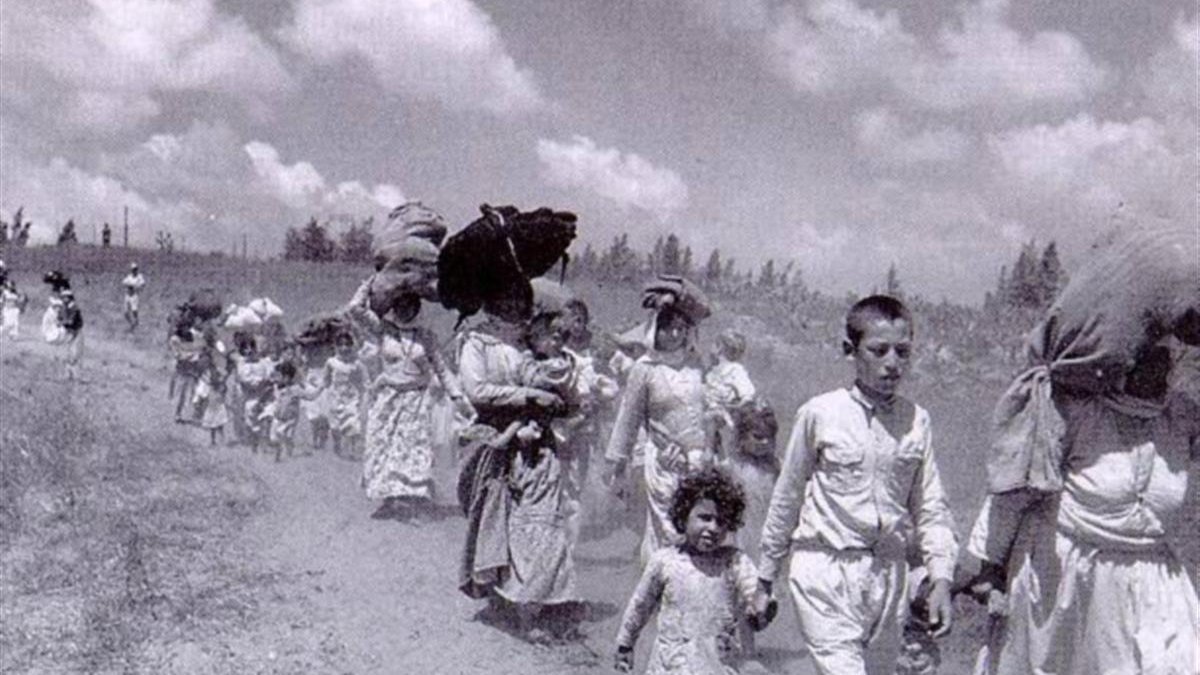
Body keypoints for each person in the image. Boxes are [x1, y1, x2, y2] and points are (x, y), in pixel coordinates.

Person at [960, 226, 1199, 675]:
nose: (1160, 368)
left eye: (1168, 358)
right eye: (1149, 355)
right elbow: (1015, 490)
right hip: (1065, 585)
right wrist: (990, 568)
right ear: (1123, 354)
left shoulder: (1180, 416)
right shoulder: (1073, 409)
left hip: (1154, 585)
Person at [755, 295, 957, 675]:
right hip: (824, 570)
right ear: (851, 350)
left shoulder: (917, 421)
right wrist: (765, 577)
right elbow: (788, 496)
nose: (892, 363)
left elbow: (930, 507)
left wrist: (941, 578)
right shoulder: (820, 414)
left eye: (903, 351)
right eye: (879, 351)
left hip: (888, 577)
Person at [457, 294, 576, 638]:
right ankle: (500, 595)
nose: (513, 311)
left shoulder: (529, 349)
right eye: (506, 302)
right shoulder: (476, 344)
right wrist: (527, 396)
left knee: (536, 523)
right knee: (495, 521)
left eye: (519, 304)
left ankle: (531, 607)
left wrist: (552, 382)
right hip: (493, 440)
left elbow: (561, 394)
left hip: (536, 448)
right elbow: (477, 390)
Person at [614, 467, 772, 674]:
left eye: (721, 522)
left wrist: (761, 605)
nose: (713, 528)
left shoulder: (733, 561)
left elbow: (754, 587)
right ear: (683, 516)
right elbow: (640, 606)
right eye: (705, 518)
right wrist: (625, 643)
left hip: (716, 662)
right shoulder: (664, 561)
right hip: (671, 663)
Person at [605, 276, 715, 565]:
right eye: (668, 328)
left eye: (681, 328)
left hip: (697, 459)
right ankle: (658, 590)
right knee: (666, 531)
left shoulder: (695, 366)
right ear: (656, 330)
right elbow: (628, 420)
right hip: (663, 460)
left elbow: (705, 411)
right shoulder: (645, 369)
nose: (675, 335)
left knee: (698, 528)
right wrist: (618, 466)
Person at [725, 398, 779, 560]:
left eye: (770, 438)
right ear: (741, 437)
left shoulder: (777, 467)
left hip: (770, 535)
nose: (765, 442)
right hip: (742, 537)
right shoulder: (732, 466)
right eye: (758, 437)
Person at [705, 330, 757, 458]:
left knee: (711, 418)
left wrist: (734, 407)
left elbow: (748, 394)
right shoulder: (711, 372)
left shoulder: (735, 370)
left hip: (723, 415)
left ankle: (709, 451)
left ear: (720, 348)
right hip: (706, 411)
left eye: (714, 344)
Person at [322, 332, 369, 457]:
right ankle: (337, 443)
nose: (344, 348)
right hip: (334, 398)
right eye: (341, 345)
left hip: (351, 398)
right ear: (336, 346)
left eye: (347, 345)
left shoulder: (356, 363)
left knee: (353, 424)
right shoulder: (331, 362)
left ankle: (352, 451)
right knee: (335, 426)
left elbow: (365, 380)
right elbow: (325, 379)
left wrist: (366, 391)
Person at [194, 329, 231, 446]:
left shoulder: (214, 354)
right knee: (215, 413)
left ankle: (217, 439)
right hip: (214, 389)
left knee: (216, 414)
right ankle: (216, 439)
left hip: (215, 388)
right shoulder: (210, 356)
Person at [58, 290, 85, 381]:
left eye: (65, 297)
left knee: (75, 353)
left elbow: (71, 321)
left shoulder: (74, 308)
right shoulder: (64, 307)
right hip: (69, 331)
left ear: (69, 298)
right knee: (67, 353)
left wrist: (62, 322)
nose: (63, 299)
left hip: (76, 331)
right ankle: (68, 374)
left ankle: (77, 375)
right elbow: (60, 318)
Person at [122, 263, 146, 331]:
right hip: (127, 295)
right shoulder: (129, 276)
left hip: (134, 295)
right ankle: (131, 323)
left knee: (134, 310)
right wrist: (129, 284)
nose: (134, 270)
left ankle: (136, 321)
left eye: (135, 269)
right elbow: (123, 282)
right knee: (126, 313)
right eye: (133, 269)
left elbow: (143, 284)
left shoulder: (139, 276)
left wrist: (136, 286)